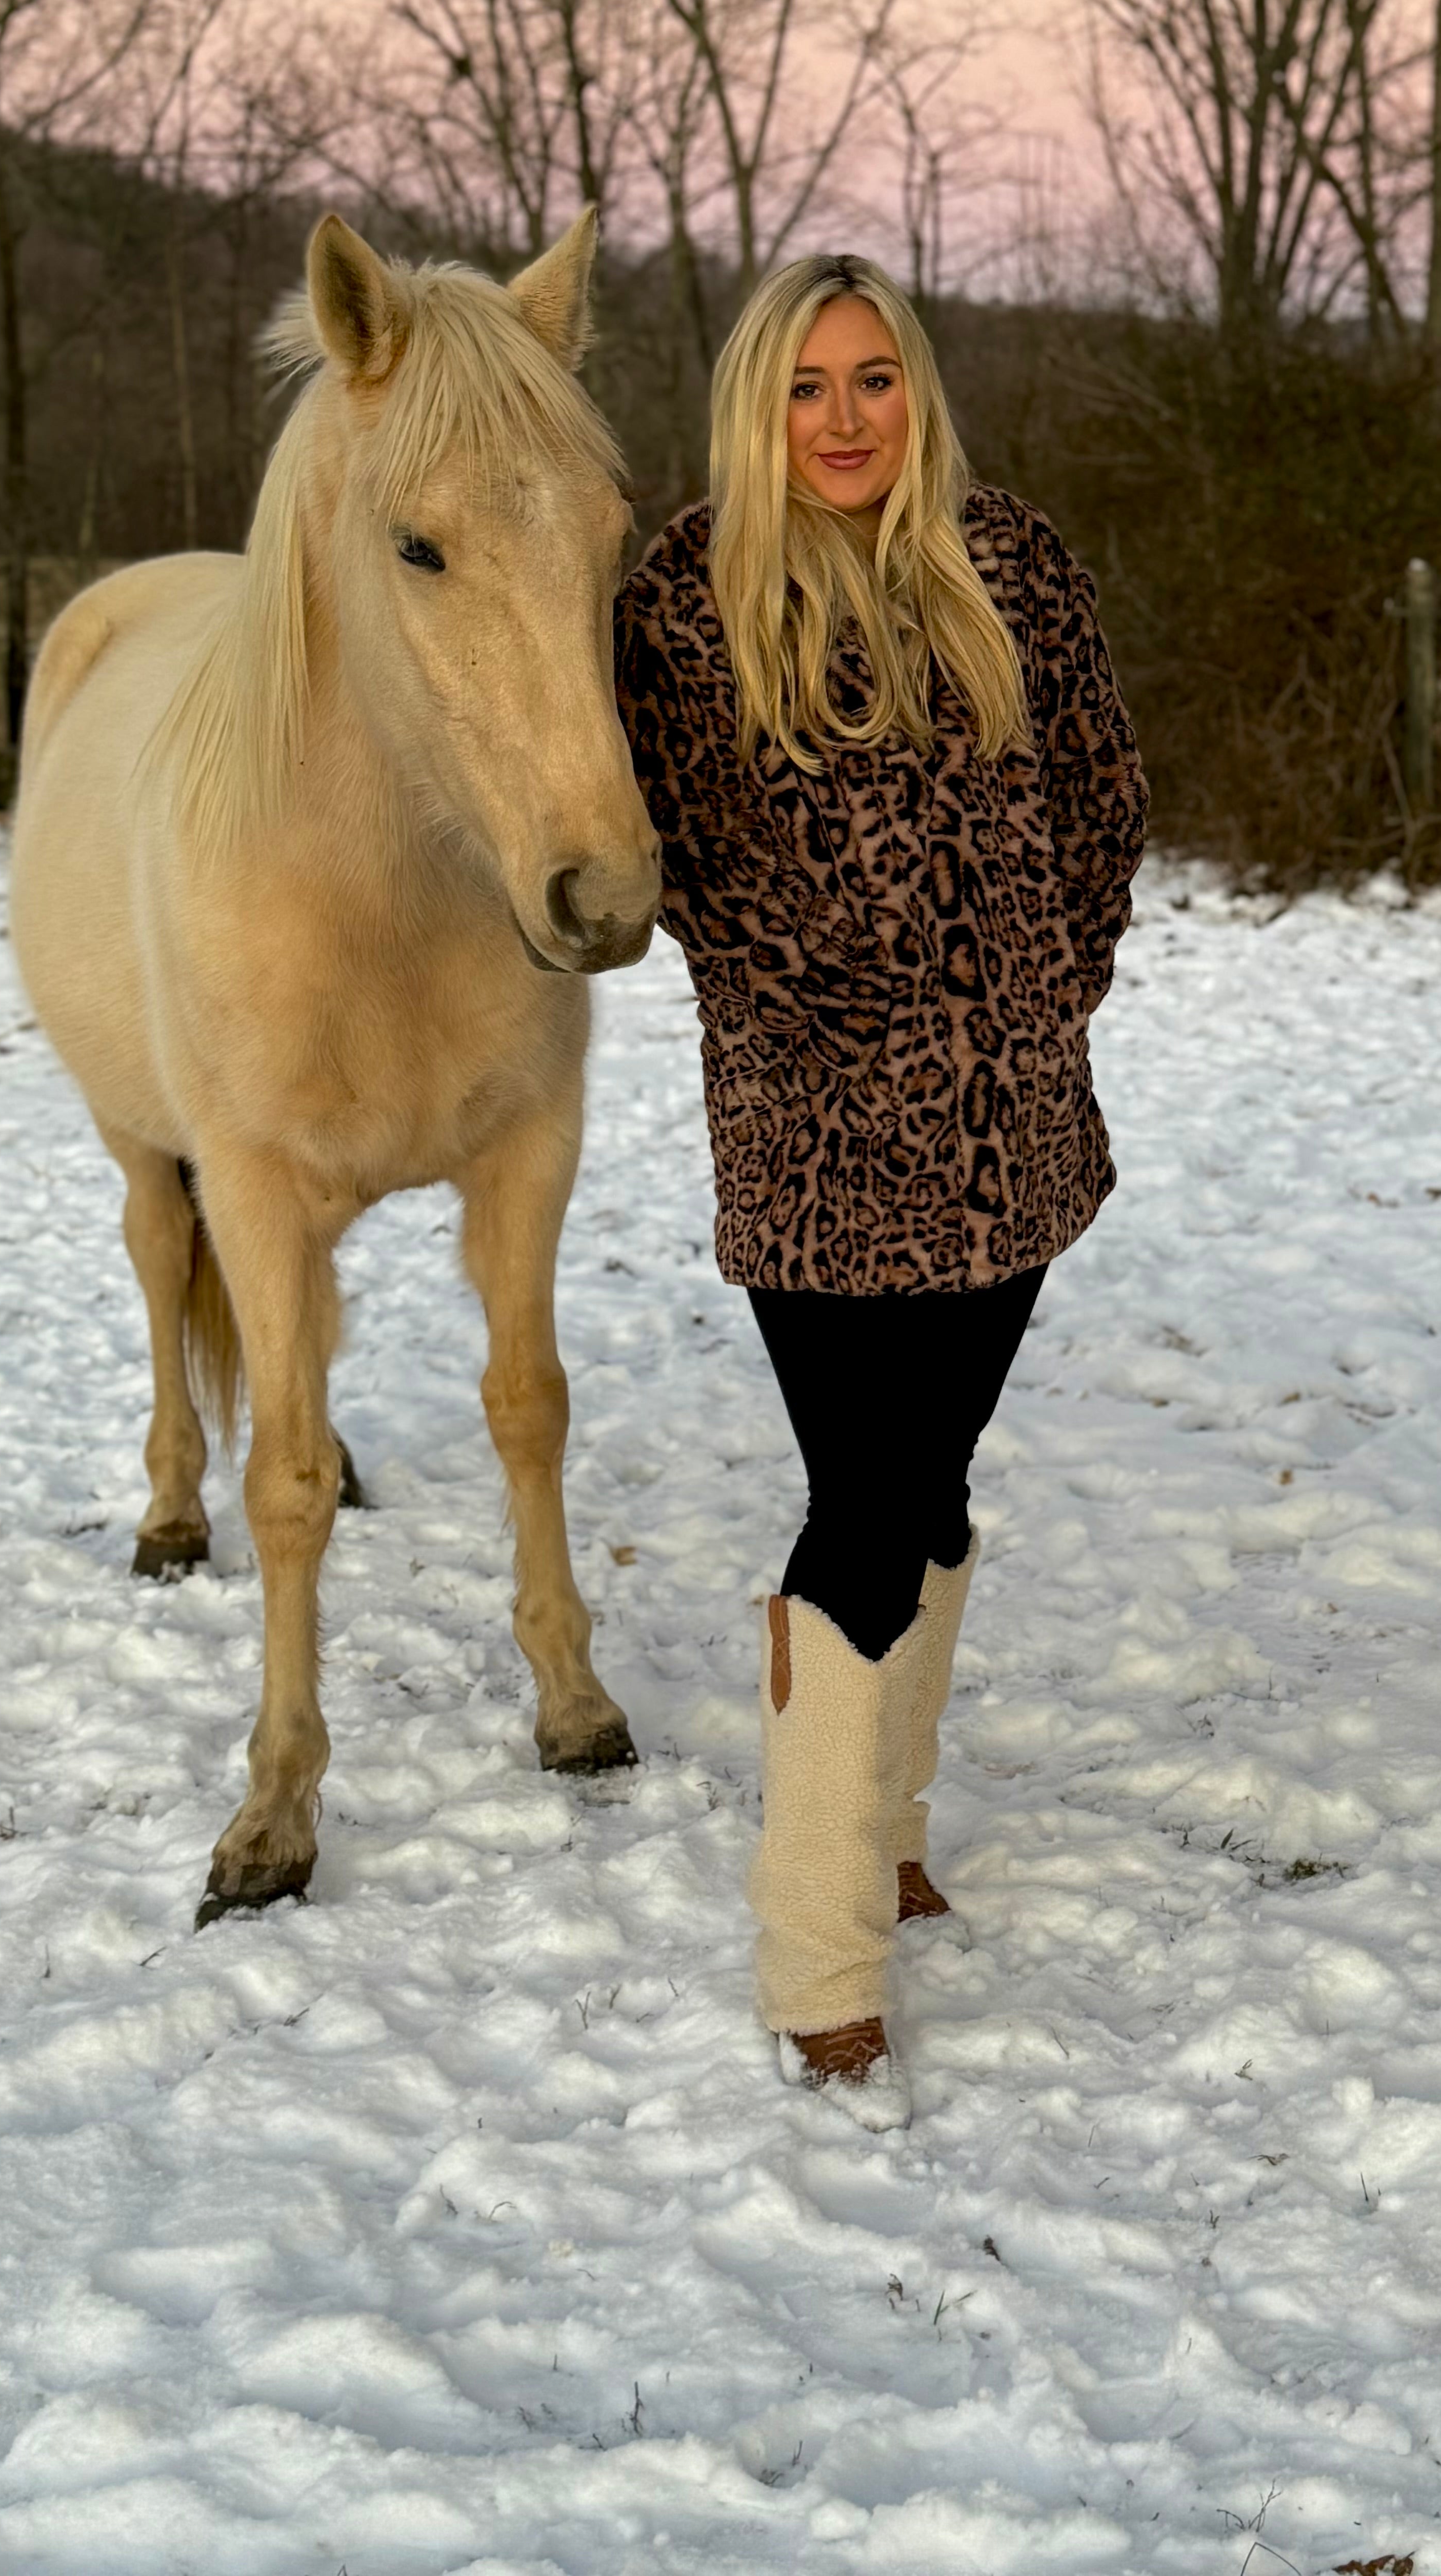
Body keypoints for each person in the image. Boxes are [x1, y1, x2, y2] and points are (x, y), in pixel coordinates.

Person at [613, 253, 1149, 2127]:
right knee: (865, 1499)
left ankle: (888, 1830)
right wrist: (860, 1021)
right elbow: (691, 868)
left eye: (873, 381)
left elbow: (1099, 799)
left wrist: (1037, 988)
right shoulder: (683, 597)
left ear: (916, 393)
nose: (843, 421)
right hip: (820, 1146)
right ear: (756, 411)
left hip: (1016, 1135)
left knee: (932, 1486)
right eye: (803, 390)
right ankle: (820, 1949)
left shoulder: (1014, 563)